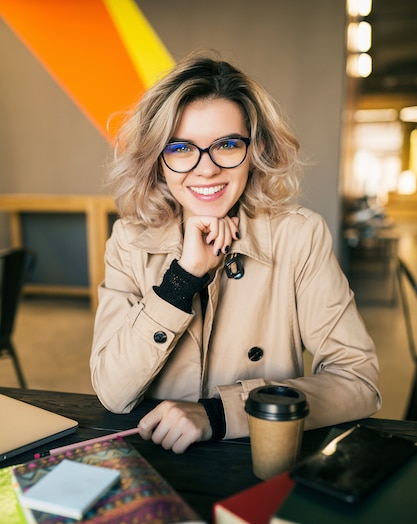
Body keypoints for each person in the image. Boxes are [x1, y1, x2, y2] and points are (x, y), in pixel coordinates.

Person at [90, 51, 381, 453]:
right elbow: (112, 391)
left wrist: (221, 414)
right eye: (180, 148)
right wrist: (182, 278)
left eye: (226, 144)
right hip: (158, 460)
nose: (206, 169)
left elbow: (359, 381)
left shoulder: (299, 236)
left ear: (255, 149)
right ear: (158, 160)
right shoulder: (128, 239)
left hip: (261, 457)